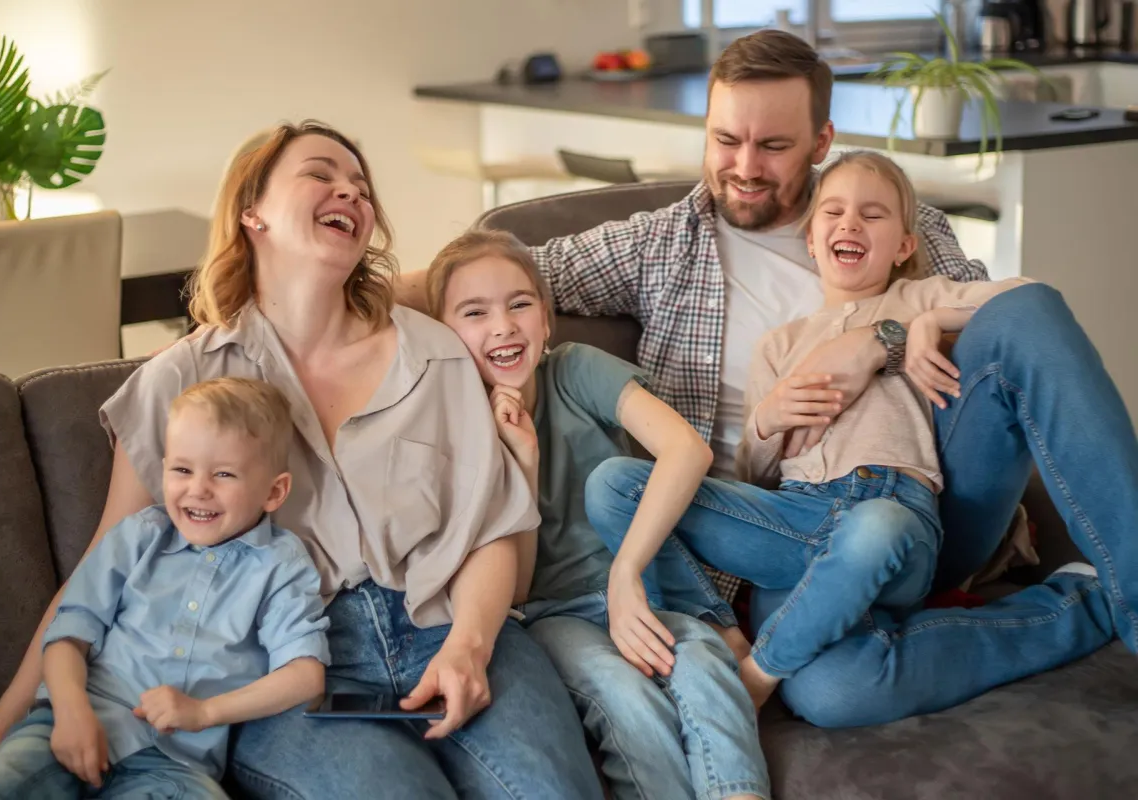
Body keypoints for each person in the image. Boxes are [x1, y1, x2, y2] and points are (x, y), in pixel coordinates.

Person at [395, 28, 1138, 728]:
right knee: (831, 689)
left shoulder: (900, 224)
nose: (745, 166)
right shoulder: (661, 243)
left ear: (821, 142)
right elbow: (494, 278)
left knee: (1030, 310)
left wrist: (881, 338)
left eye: (774, 145)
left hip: (924, 505)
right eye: (726, 140)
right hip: (773, 526)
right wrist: (340, 292)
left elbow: (1000, 339)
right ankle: (1084, 606)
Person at [0, 121, 603, 800]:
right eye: (320, 174)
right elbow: (98, 567)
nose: (351, 191)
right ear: (251, 211)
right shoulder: (182, 380)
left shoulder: (435, 353)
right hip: (293, 662)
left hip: (451, 625)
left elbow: (489, 530)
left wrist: (470, 645)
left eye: (361, 185)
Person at [590, 150, 1055, 711]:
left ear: (904, 246)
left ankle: (759, 672)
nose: (850, 223)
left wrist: (927, 322)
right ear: (811, 241)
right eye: (833, 212)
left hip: (895, 513)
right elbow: (755, 475)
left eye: (872, 214)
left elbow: (1025, 300)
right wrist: (768, 420)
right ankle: (722, 629)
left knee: (875, 526)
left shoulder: (915, 298)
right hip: (795, 516)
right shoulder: (779, 345)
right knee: (614, 484)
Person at [426, 228, 769, 800]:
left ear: (546, 319)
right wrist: (525, 465)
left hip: (639, 588)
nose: (503, 326)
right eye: (475, 312)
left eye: (519, 304)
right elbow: (519, 590)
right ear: (443, 334)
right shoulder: (453, 425)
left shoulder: (575, 369)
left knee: (704, 663)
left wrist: (625, 574)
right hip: (550, 613)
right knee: (621, 690)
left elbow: (687, 450)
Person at [0, 377, 330, 799]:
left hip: (175, 763)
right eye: (182, 470)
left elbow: (305, 675)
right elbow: (67, 638)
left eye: (224, 474)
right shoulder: (138, 536)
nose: (198, 489)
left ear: (274, 491)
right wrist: (70, 710)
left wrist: (205, 711)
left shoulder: (281, 564)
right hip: (73, 722)